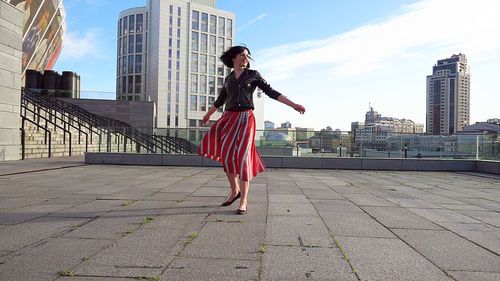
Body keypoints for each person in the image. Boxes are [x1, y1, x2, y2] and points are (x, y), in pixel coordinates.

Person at [198, 45, 305, 215]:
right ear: (233, 58)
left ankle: (243, 200)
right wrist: (208, 114)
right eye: (242, 55)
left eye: (247, 55)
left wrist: (293, 105)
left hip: (246, 118)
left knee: (243, 158)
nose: (245, 58)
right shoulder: (228, 79)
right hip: (229, 118)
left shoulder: (253, 75)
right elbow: (220, 100)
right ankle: (234, 191)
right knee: (226, 156)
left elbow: (271, 92)